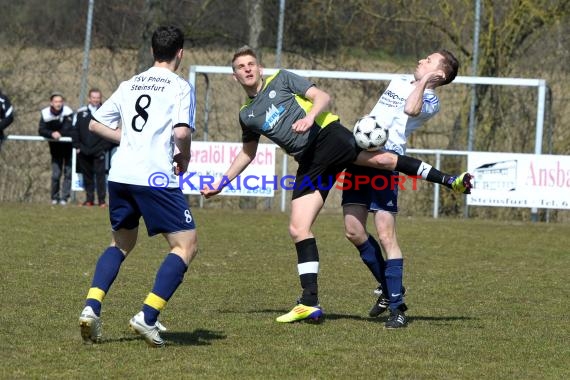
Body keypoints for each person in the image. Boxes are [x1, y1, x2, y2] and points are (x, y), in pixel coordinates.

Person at [200, 45, 472, 323]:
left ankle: (398, 303)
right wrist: (222, 182)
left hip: (335, 140)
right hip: (325, 155)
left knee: (385, 215)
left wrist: (309, 118)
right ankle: (312, 301)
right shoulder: (247, 115)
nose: (246, 69)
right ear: (234, 76)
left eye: (250, 64)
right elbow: (248, 152)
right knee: (336, 229)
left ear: (260, 68)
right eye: (240, 67)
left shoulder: (430, 100)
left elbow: (401, 107)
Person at [78, 25, 198, 347]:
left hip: (120, 176)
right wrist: (182, 158)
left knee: (120, 244)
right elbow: (182, 133)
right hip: (154, 176)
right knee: (186, 245)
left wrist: (129, 139)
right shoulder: (179, 86)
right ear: (180, 54)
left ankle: (91, 307)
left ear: (152, 51)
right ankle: (147, 317)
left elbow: (95, 123)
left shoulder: (130, 84)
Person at [342, 50, 459, 329]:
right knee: (353, 231)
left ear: (439, 74)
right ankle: (388, 287)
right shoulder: (398, 80)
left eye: (429, 61)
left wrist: (424, 81)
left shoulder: (431, 100)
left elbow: (410, 110)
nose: (421, 60)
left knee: (385, 235)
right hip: (361, 158)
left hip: (388, 164)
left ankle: (397, 309)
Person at [72, 88, 115, 207]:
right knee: (87, 177)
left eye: (98, 97)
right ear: (89, 98)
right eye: (93, 97)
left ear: (100, 98)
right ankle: (89, 200)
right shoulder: (81, 113)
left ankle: (101, 201)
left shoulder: (106, 112)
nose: (96, 100)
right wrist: (77, 146)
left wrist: (104, 148)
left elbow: (112, 130)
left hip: (99, 151)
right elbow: (75, 131)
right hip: (83, 150)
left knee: (101, 177)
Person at [38, 92, 74, 205]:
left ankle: (64, 198)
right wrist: (51, 133)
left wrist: (60, 133)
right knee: (56, 175)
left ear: (62, 102)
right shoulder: (45, 114)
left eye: (60, 101)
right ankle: (54, 198)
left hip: (68, 149)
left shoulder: (68, 113)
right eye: (56, 102)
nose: (58, 104)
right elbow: (41, 130)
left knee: (68, 174)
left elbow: (70, 129)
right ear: (51, 103)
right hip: (55, 150)